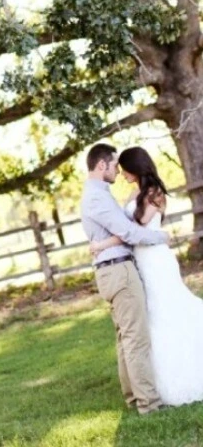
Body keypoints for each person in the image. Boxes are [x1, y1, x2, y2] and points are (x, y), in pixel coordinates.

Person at [90, 146, 203, 407]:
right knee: (149, 317)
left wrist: (103, 244)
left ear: (135, 167)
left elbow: (134, 227)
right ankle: (151, 380)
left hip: (156, 260)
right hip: (139, 261)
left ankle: (181, 373)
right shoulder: (134, 192)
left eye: (125, 168)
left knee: (166, 311)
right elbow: (125, 230)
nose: (121, 173)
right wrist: (104, 244)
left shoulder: (154, 193)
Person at [80, 143, 168, 415]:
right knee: (135, 339)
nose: (118, 170)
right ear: (101, 165)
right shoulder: (97, 198)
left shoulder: (100, 195)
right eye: (115, 165)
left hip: (112, 269)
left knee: (124, 338)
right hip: (118, 270)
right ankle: (148, 404)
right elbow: (128, 232)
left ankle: (133, 397)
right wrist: (160, 237)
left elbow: (123, 231)